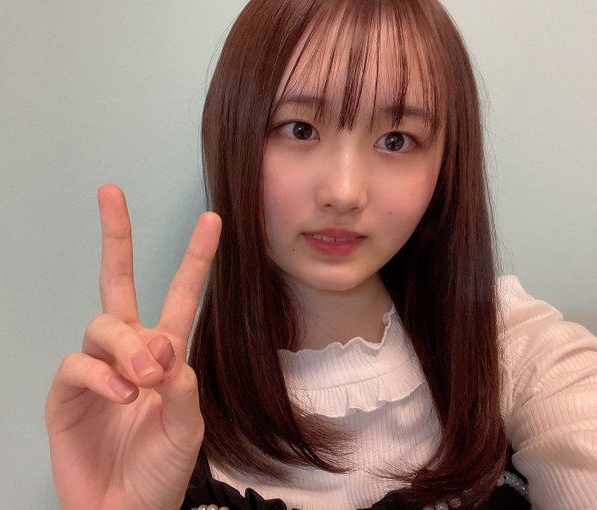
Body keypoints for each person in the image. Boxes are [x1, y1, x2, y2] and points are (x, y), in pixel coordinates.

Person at [44, 1, 597, 509]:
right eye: (300, 128)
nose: (345, 192)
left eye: (397, 140)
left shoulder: (514, 351)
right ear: (234, 136)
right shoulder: (160, 399)